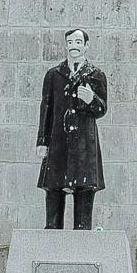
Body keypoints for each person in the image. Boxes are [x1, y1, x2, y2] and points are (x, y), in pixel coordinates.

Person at [36, 27, 107, 228]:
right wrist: (42, 141)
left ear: (86, 46)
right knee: (54, 191)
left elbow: (102, 109)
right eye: (70, 43)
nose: (73, 47)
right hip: (58, 141)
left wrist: (92, 99)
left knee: (84, 192)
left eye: (77, 43)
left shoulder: (95, 75)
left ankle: (82, 242)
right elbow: (46, 108)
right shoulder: (54, 75)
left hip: (85, 144)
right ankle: (51, 240)